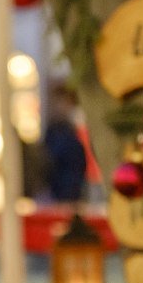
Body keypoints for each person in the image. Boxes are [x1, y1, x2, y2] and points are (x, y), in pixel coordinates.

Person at [42, 82, 87, 210]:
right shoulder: (55, 130)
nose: (60, 106)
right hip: (58, 191)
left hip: (75, 190)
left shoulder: (73, 128)